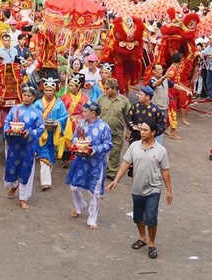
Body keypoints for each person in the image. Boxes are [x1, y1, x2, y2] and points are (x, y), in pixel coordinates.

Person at [108, 118, 173, 260]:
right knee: (138, 217)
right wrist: (116, 179)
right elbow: (126, 163)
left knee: (151, 217)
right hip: (136, 188)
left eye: (145, 130)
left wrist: (169, 190)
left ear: (153, 132)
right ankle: (143, 238)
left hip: (153, 189)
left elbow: (165, 171)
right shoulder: (134, 146)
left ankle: (151, 244)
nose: (142, 132)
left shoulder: (161, 151)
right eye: (141, 130)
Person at [66, 101, 113, 230]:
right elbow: (74, 138)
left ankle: (92, 218)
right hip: (81, 162)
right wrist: (78, 144)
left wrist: (94, 149)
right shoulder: (81, 124)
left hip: (96, 164)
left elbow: (109, 144)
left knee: (95, 192)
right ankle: (80, 205)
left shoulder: (104, 127)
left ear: (93, 113)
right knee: (74, 187)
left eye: (85, 111)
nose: (83, 113)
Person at [3, 86, 44, 210]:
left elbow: (41, 128)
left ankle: (23, 198)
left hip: (28, 146)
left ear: (33, 97)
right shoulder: (14, 109)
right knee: (13, 167)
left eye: (29, 96)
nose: (26, 98)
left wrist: (30, 133)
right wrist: (7, 132)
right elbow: (6, 122)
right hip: (14, 144)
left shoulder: (37, 112)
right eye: (24, 95)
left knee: (27, 170)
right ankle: (14, 186)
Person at [34, 78, 69, 191]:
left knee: (51, 153)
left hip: (54, 132)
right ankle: (46, 182)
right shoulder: (38, 103)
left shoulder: (59, 103)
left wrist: (57, 122)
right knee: (43, 154)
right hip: (42, 133)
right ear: (43, 90)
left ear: (54, 91)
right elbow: (34, 116)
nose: (48, 92)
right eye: (46, 90)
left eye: (51, 90)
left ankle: (46, 174)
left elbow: (64, 117)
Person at [97, 78, 131, 180]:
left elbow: (128, 117)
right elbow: (95, 113)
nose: (105, 90)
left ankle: (112, 172)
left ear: (114, 89)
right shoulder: (101, 99)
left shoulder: (124, 101)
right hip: (102, 132)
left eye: (108, 88)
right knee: (99, 151)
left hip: (117, 132)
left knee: (115, 153)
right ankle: (98, 170)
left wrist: (128, 132)